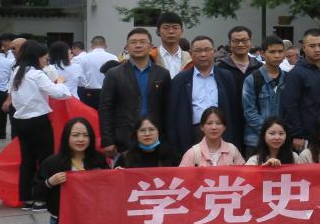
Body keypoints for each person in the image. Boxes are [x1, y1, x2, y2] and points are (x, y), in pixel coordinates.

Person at [8, 41, 74, 206]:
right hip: (38, 121)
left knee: (27, 160)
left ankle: (26, 197)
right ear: (36, 58)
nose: (46, 61)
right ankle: (41, 198)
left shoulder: (17, 71)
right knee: (45, 159)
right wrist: (60, 82)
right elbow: (59, 94)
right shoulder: (37, 74)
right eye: (45, 58)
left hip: (20, 121)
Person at [99, 27, 171, 155]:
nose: (138, 45)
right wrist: (107, 140)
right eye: (133, 42)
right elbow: (106, 108)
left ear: (151, 46)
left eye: (142, 42)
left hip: (156, 138)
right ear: (127, 47)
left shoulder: (162, 74)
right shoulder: (114, 74)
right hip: (124, 139)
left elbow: (168, 108)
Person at [36, 117, 109, 224]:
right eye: (75, 135)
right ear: (66, 137)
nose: (81, 139)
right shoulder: (52, 163)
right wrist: (50, 182)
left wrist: (117, 174)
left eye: (85, 135)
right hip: (63, 220)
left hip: (95, 218)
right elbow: (36, 192)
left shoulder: (98, 159)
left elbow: (109, 186)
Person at [167, 36, 241, 153]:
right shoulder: (180, 80)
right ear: (191, 53)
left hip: (221, 133)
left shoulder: (226, 77)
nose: (203, 54)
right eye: (198, 51)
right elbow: (172, 114)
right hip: (192, 134)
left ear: (214, 52)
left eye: (207, 50)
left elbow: (234, 110)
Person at [280, 28, 320, 152]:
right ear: (304, 47)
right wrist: (297, 134)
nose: (317, 49)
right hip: (307, 134)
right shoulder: (296, 73)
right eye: (312, 46)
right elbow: (290, 106)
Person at [216, 26, 261, 143]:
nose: (240, 44)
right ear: (230, 43)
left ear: (251, 42)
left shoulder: (259, 68)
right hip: (229, 123)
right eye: (236, 41)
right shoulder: (220, 68)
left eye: (244, 40)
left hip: (256, 126)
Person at [242, 35, 287, 150]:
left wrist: (279, 134)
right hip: (256, 141)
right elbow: (249, 112)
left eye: (280, 51)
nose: (277, 55)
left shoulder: (288, 78)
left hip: (282, 140)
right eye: (272, 52)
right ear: (262, 53)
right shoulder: (252, 79)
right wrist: (269, 132)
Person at [178, 107, 244, 166]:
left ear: (224, 127)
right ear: (201, 127)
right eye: (209, 123)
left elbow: (243, 173)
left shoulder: (232, 150)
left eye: (218, 123)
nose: (214, 127)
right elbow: (182, 175)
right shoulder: (193, 153)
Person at [114, 116, 179, 168]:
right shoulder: (125, 158)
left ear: (158, 132)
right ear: (136, 134)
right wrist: (119, 174)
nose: (147, 134)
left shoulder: (171, 156)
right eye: (142, 130)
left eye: (151, 129)